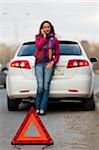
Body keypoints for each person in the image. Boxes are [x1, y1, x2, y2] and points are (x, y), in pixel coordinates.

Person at [34, 20, 60, 115]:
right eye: (44, 27)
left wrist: (53, 62)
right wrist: (44, 37)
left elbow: (57, 53)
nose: (46, 28)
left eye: (48, 27)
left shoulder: (55, 40)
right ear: (42, 29)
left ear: (51, 28)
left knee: (46, 86)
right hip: (39, 63)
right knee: (40, 86)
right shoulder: (38, 38)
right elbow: (38, 46)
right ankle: (37, 107)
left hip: (49, 64)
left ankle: (42, 108)